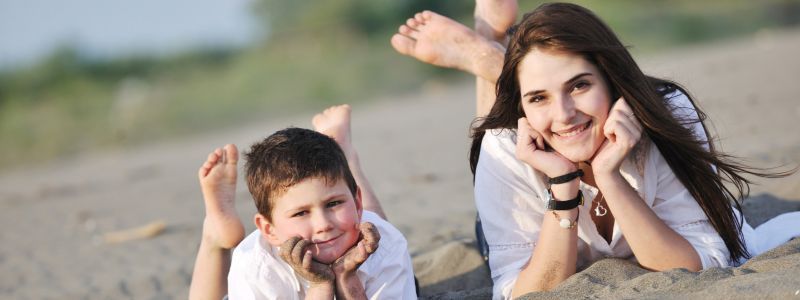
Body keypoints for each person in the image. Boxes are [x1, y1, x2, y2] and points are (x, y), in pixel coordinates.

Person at [392, 2, 799, 299]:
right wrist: (564, 188)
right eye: (537, 98)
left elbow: (701, 261)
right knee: (495, 131)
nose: (565, 114)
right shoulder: (506, 146)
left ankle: (492, 54)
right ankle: (489, 53)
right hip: (525, 177)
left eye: (579, 85)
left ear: (612, 80)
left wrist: (609, 177)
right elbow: (520, 292)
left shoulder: (666, 114)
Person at [188, 105, 417, 299]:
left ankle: (345, 156)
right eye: (300, 213)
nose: (323, 224)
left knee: (373, 221)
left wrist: (348, 280)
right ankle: (213, 235)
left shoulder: (389, 244)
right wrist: (320, 286)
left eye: (333, 204)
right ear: (269, 230)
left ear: (357, 203)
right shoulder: (256, 268)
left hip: (365, 227)